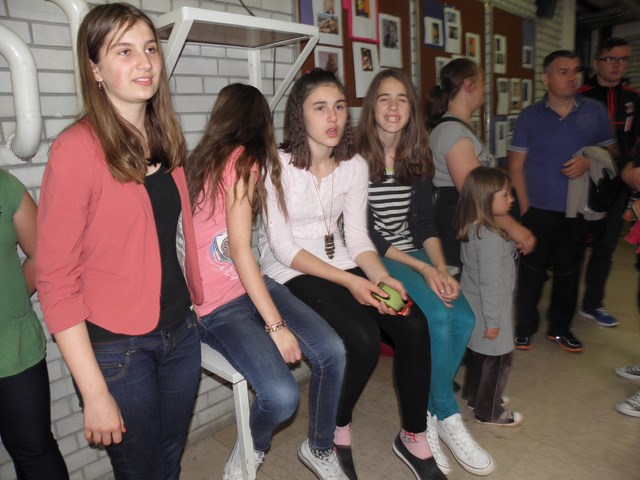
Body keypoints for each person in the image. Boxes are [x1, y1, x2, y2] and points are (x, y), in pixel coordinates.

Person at [35, 4, 203, 479]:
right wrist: (94, 392)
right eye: (124, 51)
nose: (144, 62)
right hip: (119, 349)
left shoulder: (166, 138)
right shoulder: (76, 150)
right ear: (95, 69)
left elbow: (169, 240)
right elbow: (55, 281)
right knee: (140, 470)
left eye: (150, 49)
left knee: (168, 461)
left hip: (180, 332)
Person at [258, 69, 443, 480]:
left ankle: (413, 435)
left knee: (414, 324)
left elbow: (358, 238)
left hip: (342, 260)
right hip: (290, 268)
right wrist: (353, 282)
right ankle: (335, 428)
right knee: (361, 338)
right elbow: (283, 248)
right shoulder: (276, 165)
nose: (333, 118)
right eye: (320, 108)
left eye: (340, 107)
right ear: (299, 114)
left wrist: (379, 277)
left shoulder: (354, 165)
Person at [185, 83, 348, 480]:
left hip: (250, 284)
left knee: (332, 351)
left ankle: (319, 447)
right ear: (260, 122)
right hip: (218, 307)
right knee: (281, 397)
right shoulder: (239, 162)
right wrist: (276, 326)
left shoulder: (210, 159)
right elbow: (240, 250)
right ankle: (252, 448)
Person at [359, 68, 493, 476]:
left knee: (464, 317)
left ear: (412, 108)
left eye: (402, 98)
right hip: (374, 256)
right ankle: (445, 414)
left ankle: (431, 412)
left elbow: (423, 223)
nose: (393, 107)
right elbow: (366, 233)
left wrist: (439, 268)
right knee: (436, 316)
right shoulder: (354, 159)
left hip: (414, 252)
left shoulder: (416, 156)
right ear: (372, 106)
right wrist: (423, 267)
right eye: (384, 98)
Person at [508, 50, 615, 353]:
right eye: (563, 71)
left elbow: (611, 156)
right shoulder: (530, 116)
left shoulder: (594, 111)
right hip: (537, 209)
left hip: (576, 211)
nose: (572, 77)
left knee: (569, 273)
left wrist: (589, 161)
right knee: (531, 273)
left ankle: (560, 329)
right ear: (546, 78)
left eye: (576, 71)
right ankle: (525, 328)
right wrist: (525, 210)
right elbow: (515, 166)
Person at [425, 58, 535, 272]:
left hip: (473, 234)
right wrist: (513, 228)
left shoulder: (458, 128)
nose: (485, 90)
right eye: (483, 82)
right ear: (468, 85)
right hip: (464, 240)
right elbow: (477, 195)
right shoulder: (453, 133)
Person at [0, 169, 68, 479]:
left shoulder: (5, 186)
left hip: (14, 350)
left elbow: (42, 254)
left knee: (34, 452)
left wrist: (14, 303)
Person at [576, 36, 640, 328]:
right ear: (596, 62)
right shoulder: (580, 96)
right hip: (581, 185)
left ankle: (592, 304)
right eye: (611, 59)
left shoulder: (633, 99)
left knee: (605, 248)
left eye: (623, 59)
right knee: (574, 247)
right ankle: (564, 307)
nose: (617, 65)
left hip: (618, 187)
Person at [454, 167, 523, 427]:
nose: (511, 199)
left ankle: (475, 396)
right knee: (499, 359)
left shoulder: (476, 228)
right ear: (485, 199)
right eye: (506, 195)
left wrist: (510, 247)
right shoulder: (491, 238)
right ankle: (489, 410)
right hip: (491, 308)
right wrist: (494, 320)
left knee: (480, 354)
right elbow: (490, 282)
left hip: (476, 304)